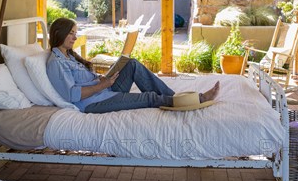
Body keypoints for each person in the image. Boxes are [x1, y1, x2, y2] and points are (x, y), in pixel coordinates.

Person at [46, 18, 219, 113]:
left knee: (132, 64)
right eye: (71, 33)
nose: (75, 37)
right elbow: (72, 95)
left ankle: (175, 99)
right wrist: (102, 84)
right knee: (149, 98)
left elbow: (84, 81)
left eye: (75, 33)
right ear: (59, 33)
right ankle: (192, 100)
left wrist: (100, 79)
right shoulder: (55, 63)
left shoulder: (69, 55)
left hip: (104, 90)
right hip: (94, 102)